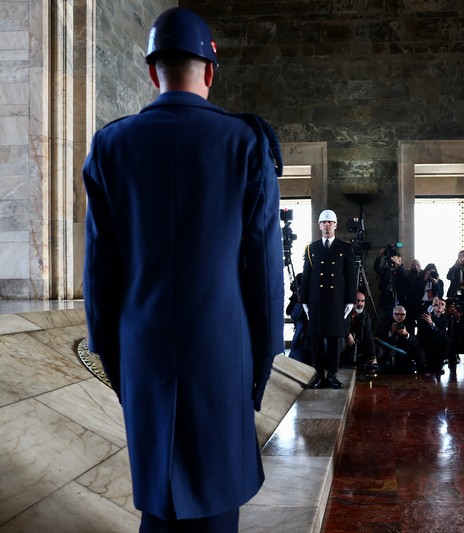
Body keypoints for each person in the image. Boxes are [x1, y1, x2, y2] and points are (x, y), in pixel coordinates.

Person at [82, 8, 284, 531]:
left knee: (159, 504)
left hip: (142, 352)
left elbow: (99, 279)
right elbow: (263, 278)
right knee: (216, 507)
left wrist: (117, 360)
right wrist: (258, 370)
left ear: (153, 72)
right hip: (221, 352)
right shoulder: (246, 144)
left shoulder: (109, 146)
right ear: (210, 72)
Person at [300, 209, 357, 389]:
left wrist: (350, 300)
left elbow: (351, 276)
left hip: (336, 300)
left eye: (330, 222)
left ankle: (332, 375)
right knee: (315, 338)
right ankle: (318, 374)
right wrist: (304, 301)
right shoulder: (311, 248)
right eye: (323, 223)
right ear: (319, 225)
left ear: (335, 225)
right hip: (316, 299)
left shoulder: (345, 247)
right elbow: (307, 276)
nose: (327, 225)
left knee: (334, 339)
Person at [341, 290, 379, 371]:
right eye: (357, 301)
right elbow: (339, 326)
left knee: (378, 351)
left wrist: (373, 356)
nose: (360, 304)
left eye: (362, 301)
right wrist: (348, 334)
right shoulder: (344, 311)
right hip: (345, 342)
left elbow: (369, 335)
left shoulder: (365, 316)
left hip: (358, 343)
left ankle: (357, 365)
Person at [415, 296, 451, 373]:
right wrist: (431, 305)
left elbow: (441, 333)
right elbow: (419, 319)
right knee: (422, 363)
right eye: (438, 304)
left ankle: (439, 365)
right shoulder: (427, 312)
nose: (439, 306)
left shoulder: (444, 320)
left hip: (436, 343)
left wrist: (431, 323)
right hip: (424, 342)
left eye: (442, 304)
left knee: (446, 339)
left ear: (444, 309)